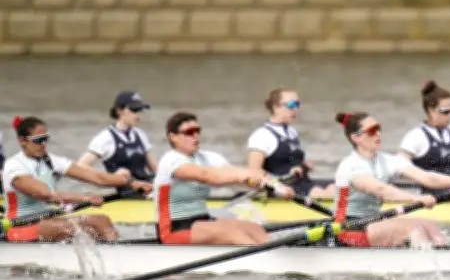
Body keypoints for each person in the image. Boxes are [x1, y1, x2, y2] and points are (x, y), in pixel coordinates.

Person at [332, 112, 450, 247]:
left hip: (373, 223)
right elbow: (380, 189)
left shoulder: (387, 161)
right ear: (356, 137)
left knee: (430, 225)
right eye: (372, 131)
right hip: (348, 229)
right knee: (414, 229)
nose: (378, 134)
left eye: (379, 128)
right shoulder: (350, 165)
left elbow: (427, 177)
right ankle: (426, 269)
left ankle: (446, 258)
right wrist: (417, 199)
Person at [2, 115, 152, 242]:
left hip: (49, 221)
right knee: (72, 227)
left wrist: (131, 182)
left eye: (45, 138)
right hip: (21, 226)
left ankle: (119, 255)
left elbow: (97, 177)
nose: (43, 144)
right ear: (22, 141)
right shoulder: (14, 166)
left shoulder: (52, 161)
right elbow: (46, 194)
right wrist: (85, 198)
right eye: (38, 140)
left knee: (102, 220)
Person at [155, 111, 288, 245]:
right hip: (173, 228)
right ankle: (262, 260)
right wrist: (242, 174)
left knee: (253, 228)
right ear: (173, 137)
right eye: (189, 132)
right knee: (231, 233)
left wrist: (274, 185)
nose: (195, 135)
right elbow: (205, 176)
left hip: (202, 221)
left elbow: (236, 175)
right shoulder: (170, 160)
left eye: (197, 131)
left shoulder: (208, 157)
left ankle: (275, 256)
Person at [246, 88, 328, 199]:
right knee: (328, 194)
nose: (296, 109)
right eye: (291, 105)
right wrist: (280, 180)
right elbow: (253, 173)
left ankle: (348, 212)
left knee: (341, 187)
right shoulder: (261, 136)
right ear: (276, 107)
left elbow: (288, 162)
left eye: (298, 104)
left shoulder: (292, 132)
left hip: (302, 183)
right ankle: (345, 212)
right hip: (283, 189)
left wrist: (304, 166)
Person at [77, 91, 157, 193]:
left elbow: (155, 170)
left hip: (147, 191)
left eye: (139, 110)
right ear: (119, 110)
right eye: (134, 109)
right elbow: (81, 167)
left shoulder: (140, 135)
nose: (138, 114)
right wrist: (111, 177)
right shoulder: (105, 138)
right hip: (124, 195)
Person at [398, 81, 450, 194]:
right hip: (428, 198)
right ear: (431, 111)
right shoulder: (416, 136)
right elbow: (398, 168)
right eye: (446, 112)